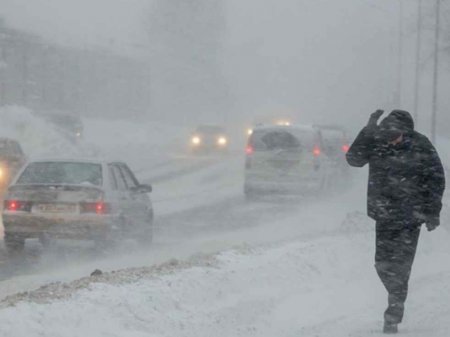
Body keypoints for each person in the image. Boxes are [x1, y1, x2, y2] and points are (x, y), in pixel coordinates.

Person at [346, 110, 445, 334]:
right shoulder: (378, 141)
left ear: (406, 132)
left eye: (396, 135)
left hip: (411, 217)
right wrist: (368, 131)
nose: (392, 140)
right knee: (382, 263)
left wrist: (432, 212)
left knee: (401, 265)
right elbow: (354, 159)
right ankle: (395, 294)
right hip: (384, 214)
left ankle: (394, 309)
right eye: (388, 135)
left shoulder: (421, 145)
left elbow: (436, 179)